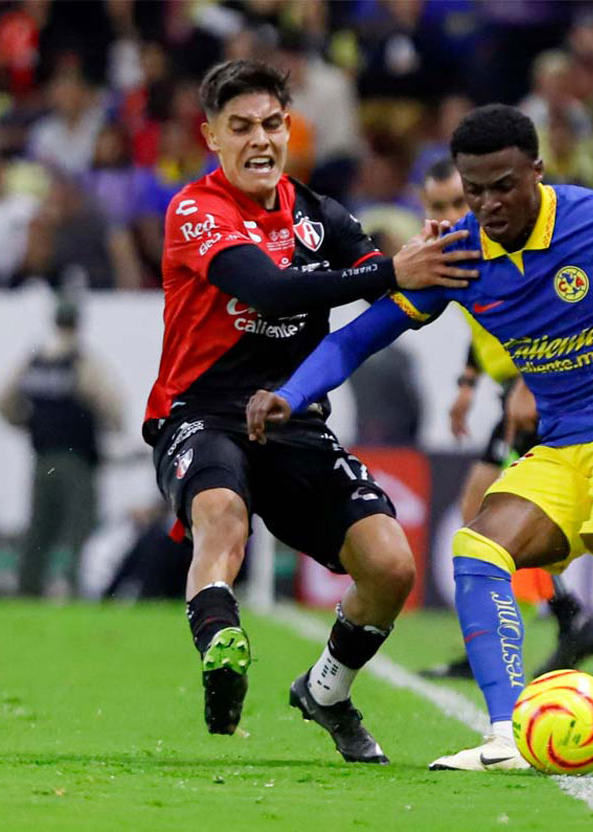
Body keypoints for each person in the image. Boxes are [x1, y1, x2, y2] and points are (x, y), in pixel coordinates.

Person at [248, 105, 593, 777]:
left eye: (504, 186)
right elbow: (357, 339)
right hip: (559, 445)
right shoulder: (460, 254)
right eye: (475, 189)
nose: (488, 204)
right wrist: (291, 392)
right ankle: (508, 736)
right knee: (478, 549)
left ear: (537, 172)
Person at [141, 60, 477, 762]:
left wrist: (450, 262)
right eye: (241, 127)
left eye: (272, 124)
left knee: (391, 566)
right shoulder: (196, 210)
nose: (260, 140)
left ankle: (326, 690)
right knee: (221, 518)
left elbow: (394, 299)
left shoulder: (321, 216)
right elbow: (269, 289)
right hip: (203, 411)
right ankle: (222, 644)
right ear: (211, 137)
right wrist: (393, 270)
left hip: (294, 419)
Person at [416, 158, 593, 681]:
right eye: (438, 206)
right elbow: (485, 324)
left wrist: (527, 383)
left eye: (457, 202)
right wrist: (467, 384)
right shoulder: (457, 254)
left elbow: (542, 314)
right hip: (511, 390)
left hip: (537, 388)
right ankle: (564, 619)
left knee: (497, 512)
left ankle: (538, 627)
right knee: (480, 508)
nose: (451, 214)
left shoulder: (500, 244)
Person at [0, 298, 124, 597]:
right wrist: (111, 429)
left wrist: (27, 423)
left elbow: (3, 401)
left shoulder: (35, 361)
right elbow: (111, 406)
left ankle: (28, 589)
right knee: (80, 529)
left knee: (39, 529)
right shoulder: (82, 362)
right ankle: (76, 589)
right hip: (77, 460)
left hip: (42, 459)